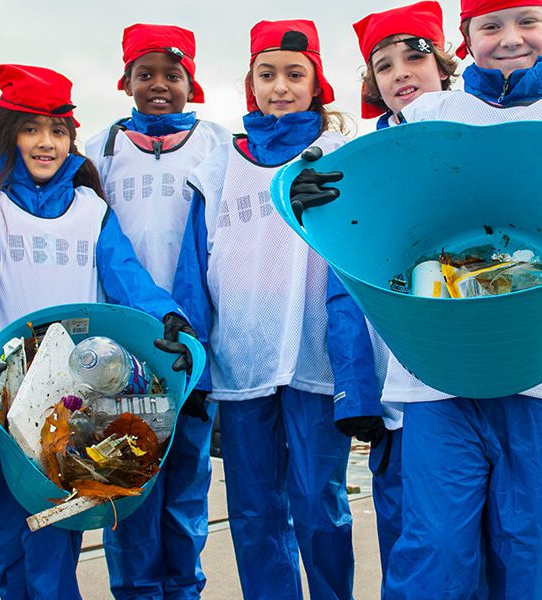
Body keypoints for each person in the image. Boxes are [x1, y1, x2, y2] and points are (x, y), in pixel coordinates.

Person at [291, 0, 542, 596]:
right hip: (437, 369)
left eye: (527, 23)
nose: (510, 38)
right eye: (490, 26)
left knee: (533, 549)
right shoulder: (429, 114)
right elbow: (364, 193)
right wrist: (316, 190)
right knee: (435, 547)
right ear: (466, 38)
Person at [0, 63, 195, 600]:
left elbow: (127, 275)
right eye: (31, 128)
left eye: (58, 130)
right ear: (6, 134)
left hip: (69, 404)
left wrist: (168, 316)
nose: (46, 143)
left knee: (55, 531)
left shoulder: (91, 209)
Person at [170, 19, 365, 600]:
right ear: (250, 83)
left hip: (313, 357)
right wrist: (196, 364)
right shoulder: (217, 168)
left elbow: (353, 267)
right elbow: (192, 273)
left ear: (316, 84)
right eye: (267, 74)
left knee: (318, 502)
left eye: (294, 74)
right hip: (241, 362)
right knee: (254, 512)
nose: (280, 86)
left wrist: (356, 379)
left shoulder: (336, 157)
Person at [82, 23, 230, 600]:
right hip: (122, 345)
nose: (159, 85)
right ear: (126, 81)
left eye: (173, 75)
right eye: (146, 74)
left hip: (194, 338)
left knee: (188, 481)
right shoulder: (100, 149)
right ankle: (136, 590)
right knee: (126, 476)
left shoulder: (219, 144)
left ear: (192, 82)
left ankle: (185, 587)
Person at [342, 0, 463, 581]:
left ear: (443, 64)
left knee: (463, 535)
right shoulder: (354, 160)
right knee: (407, 534)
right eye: (384, 66)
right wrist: (357, 391)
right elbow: (340, 283)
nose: (401, 73)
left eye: (414, 57)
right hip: (394, 374)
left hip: (469, 368)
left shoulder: (475, 131)